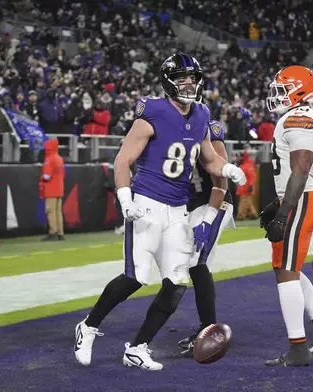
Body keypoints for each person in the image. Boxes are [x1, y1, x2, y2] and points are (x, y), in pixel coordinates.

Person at [73, 53, 246, 371]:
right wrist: (126, 199)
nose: (189, 84)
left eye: (193, 79)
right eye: (182, 78)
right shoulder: (152, 110)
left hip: (178, 209)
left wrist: (228, 168)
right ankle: (88, 326)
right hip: (147, 202)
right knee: (135, 277)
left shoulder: (202, 113)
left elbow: (208, 158)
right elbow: (123, 160)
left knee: (178, 281)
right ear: (168, 81)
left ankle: (137, 347)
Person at [262, 65, 313, 367]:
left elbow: (301, 167)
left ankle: (298, 348)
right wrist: (282, 203)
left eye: (282, 89)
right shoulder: (301, 116)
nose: (276, 95)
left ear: (299, 90)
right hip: (301, 199)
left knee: (285, 271)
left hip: (303, 200)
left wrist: (284, 212)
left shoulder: (299, 117)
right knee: (288, 268)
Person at [177, 119, 235, 358]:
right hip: (190, 208)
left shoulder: (209, 128)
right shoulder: (169, 127)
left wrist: (209, 217)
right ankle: (207, 326)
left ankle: (209, 329)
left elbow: (220, 178)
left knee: (198, 263)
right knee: (192, 266)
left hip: (214, 204)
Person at [40, 138, 65, 241]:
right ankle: (60, 232)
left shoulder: (49, 159)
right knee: (58, 212)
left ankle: (52, 232)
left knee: (51, 211)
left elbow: (46, 176)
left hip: (51, 189)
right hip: (59, 188)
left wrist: (41, 178)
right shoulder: (59, 158)